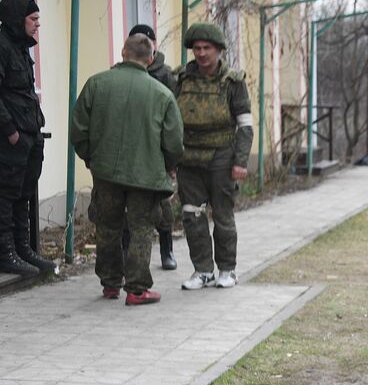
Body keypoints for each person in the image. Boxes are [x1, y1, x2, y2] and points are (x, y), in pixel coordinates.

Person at [70, 33, 183, 306]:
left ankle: (110, 284)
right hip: (146, 176)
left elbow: (79, 130)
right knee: (142, 229)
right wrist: (168, 167)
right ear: (151, 59)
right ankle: (137, 289)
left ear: (123, 52)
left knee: (107, 226)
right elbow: (174, 142)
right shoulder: (163, 95)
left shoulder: (96, 84)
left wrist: (92, 159)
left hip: (106, 172)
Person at [0, 0, 57, 276]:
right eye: (33, 19)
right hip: (14, 135)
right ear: (17, 19)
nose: (37, 25)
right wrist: (9, 130)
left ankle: (23, 249)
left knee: (24, 192)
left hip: (31, 131)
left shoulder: (21, 47)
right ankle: (6, 253)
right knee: (8, 192)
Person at [174, 23, 251, 290]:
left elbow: (245, 125)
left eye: (207, 48)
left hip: (222, 156)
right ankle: (203, 270)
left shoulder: (234, 81)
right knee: (191, 216)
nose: (202, 53)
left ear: (218, 50)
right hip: (188, 158)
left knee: (222, 215)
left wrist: (240, 161)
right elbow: (171, 121)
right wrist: (171, 158)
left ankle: (227, 269)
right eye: (197, 48)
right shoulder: (181, 79)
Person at [127, 23, 179, 271]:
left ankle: (167, 250)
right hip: (130, 148)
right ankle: (128, 256)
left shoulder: (166, 75)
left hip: (156, 150)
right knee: (128, 208)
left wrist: (172, 160)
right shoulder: (122, 73)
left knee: (163, 204)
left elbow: (175, 117)